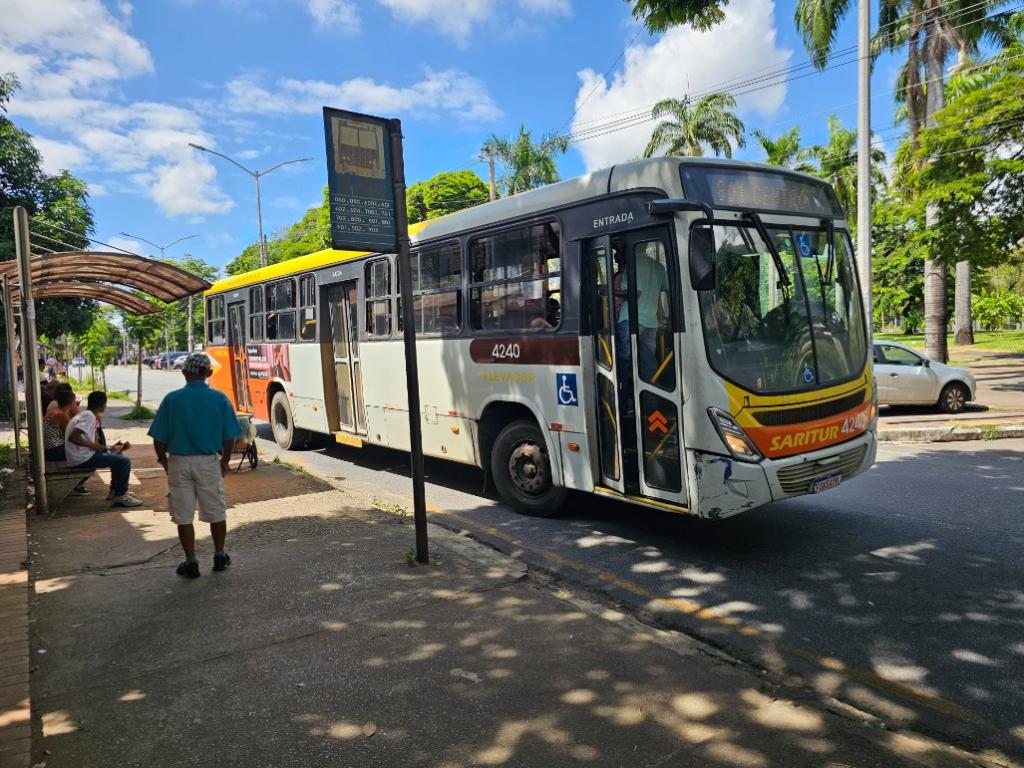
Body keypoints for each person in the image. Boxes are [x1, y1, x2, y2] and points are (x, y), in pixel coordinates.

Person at [148, 353, 241, 579]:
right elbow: (230, 437)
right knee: (216, 510)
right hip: (208, 462)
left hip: (178, 462)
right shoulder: (219, 399)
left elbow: (158, 439)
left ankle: (191, 562)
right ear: (208, 374)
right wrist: (225, 461)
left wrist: (164, 462)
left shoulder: (172, 399)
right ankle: (219, 555)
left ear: (184, 372)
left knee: (183, 514)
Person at [65, 391, 142, 507]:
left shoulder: (86, 414)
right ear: (103, 405)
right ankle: (120, 496)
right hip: (82, 458)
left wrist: (107, 449)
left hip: (82, 456)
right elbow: (74, 437)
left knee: (118, 456)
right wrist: (96, 447)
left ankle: (115, 491)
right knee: (124, 462)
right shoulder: (89, 416)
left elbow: (89, 439)